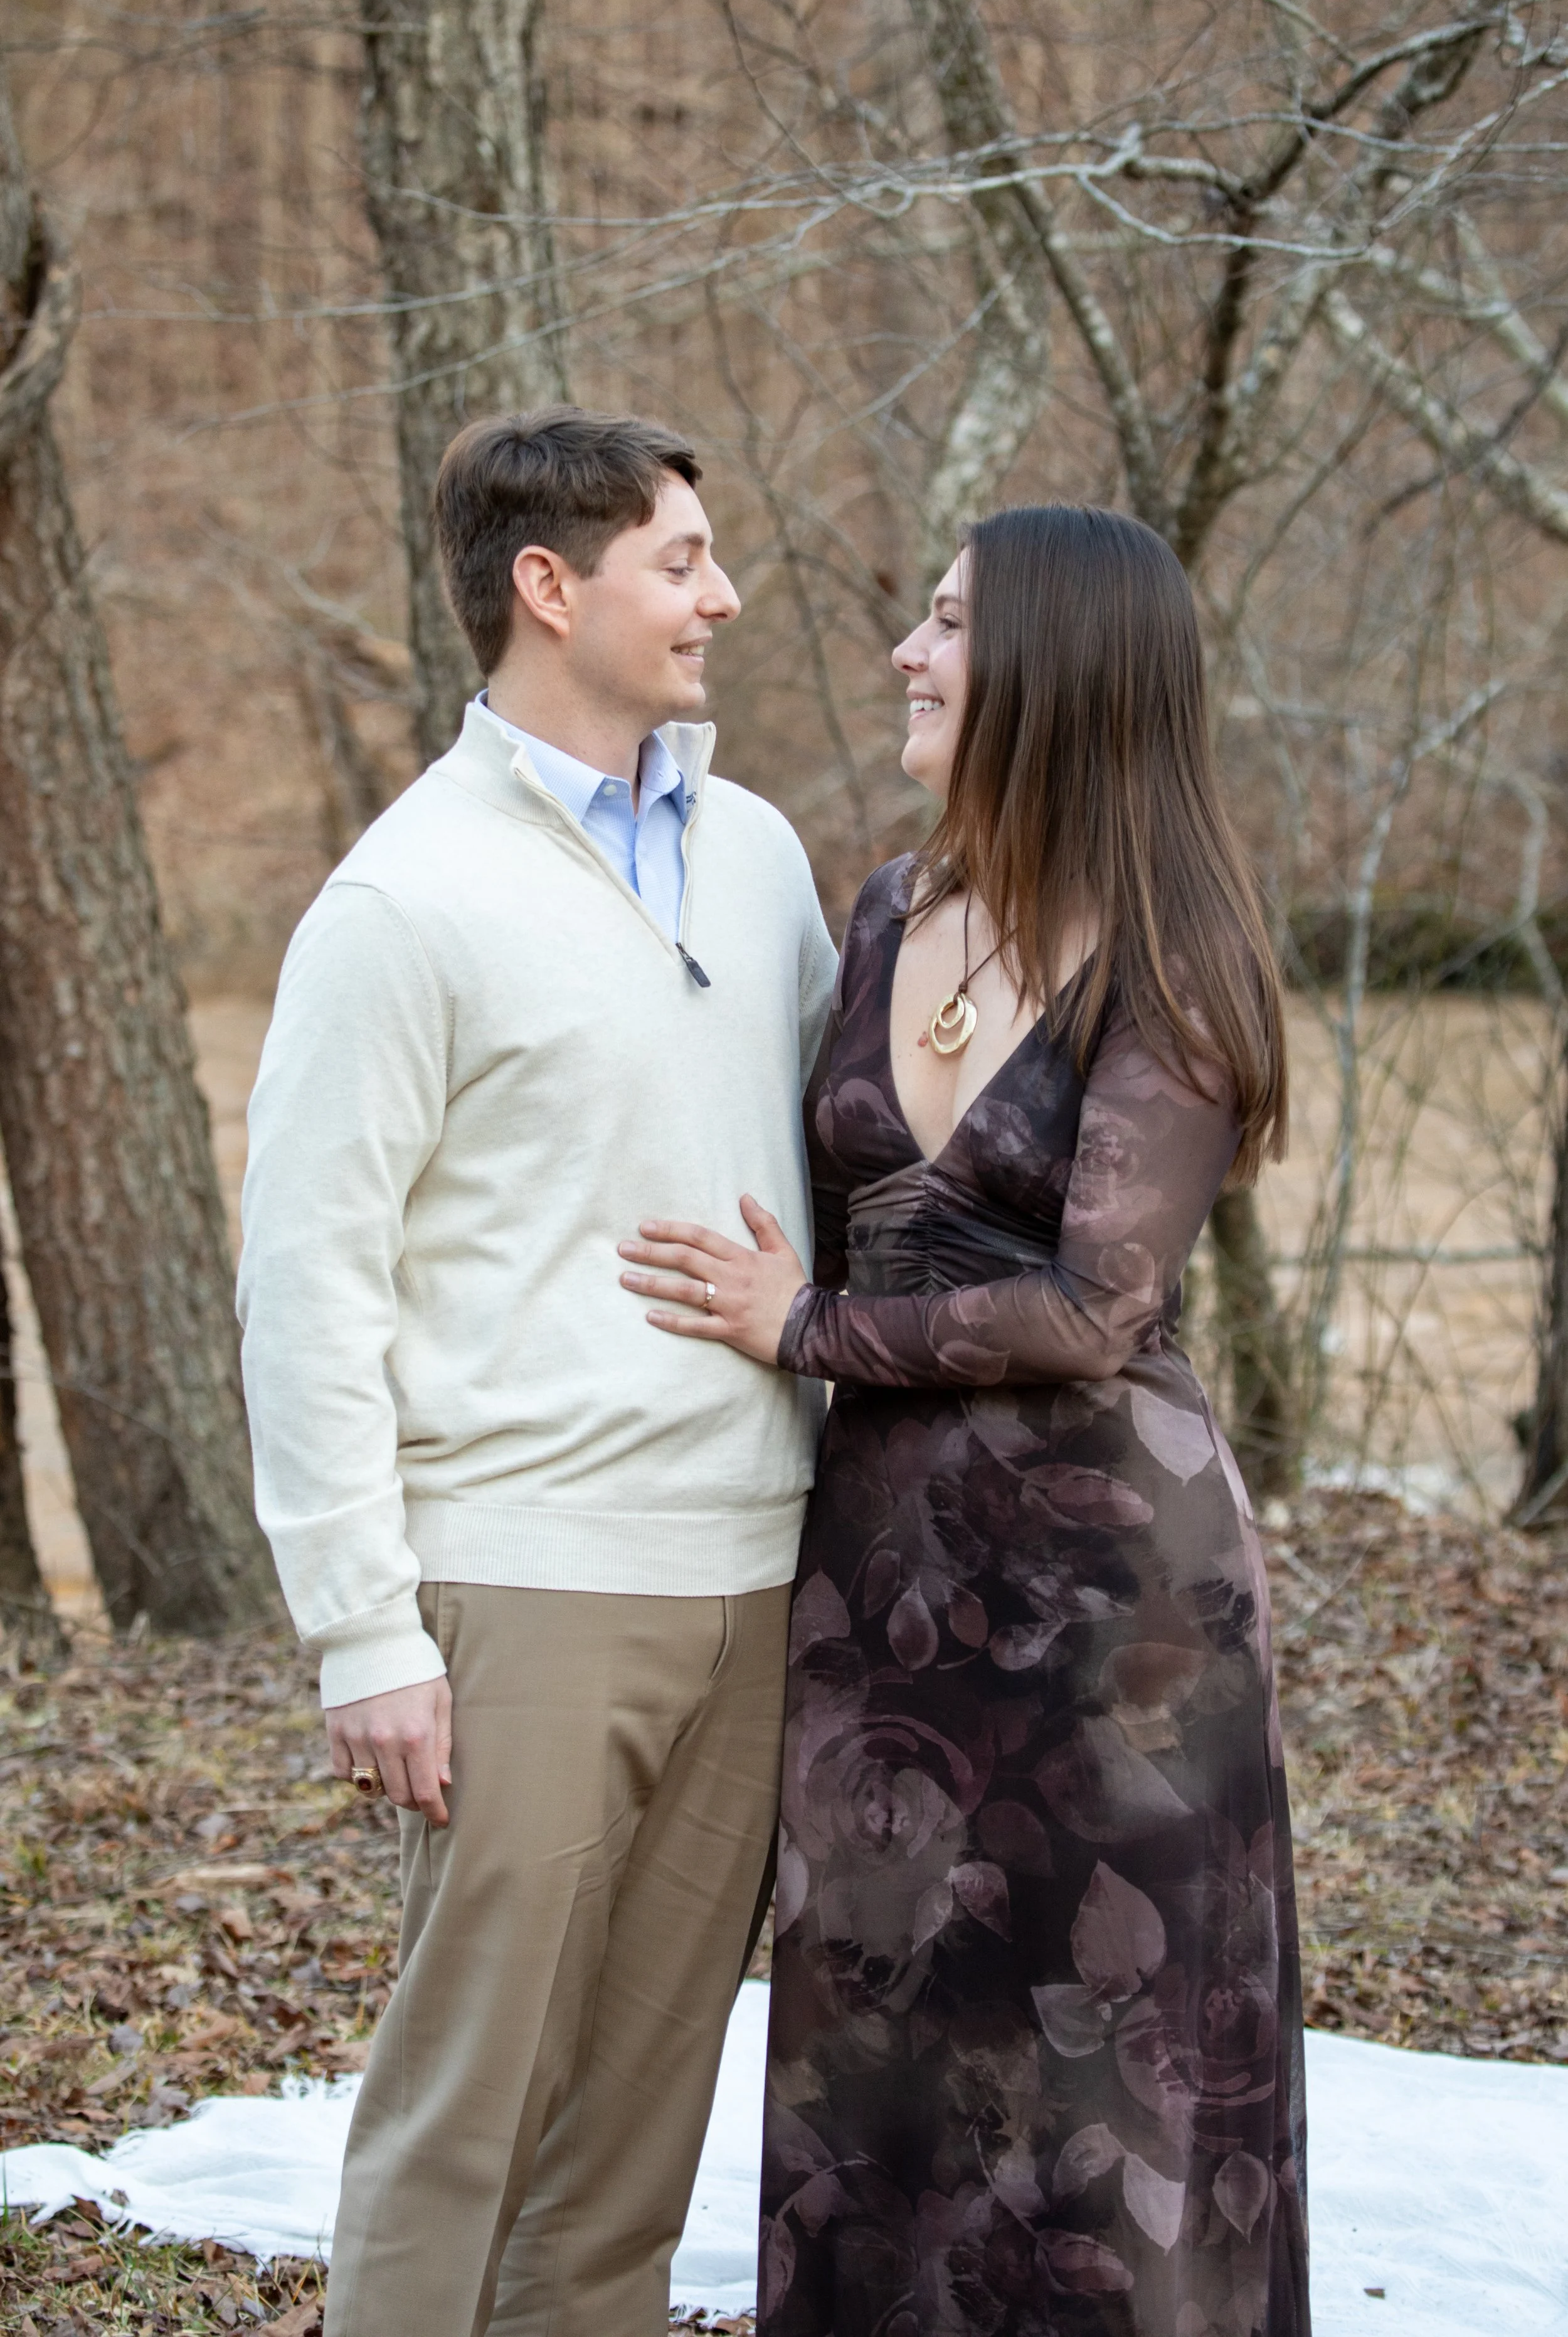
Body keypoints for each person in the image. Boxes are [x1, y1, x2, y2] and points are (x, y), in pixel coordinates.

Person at [617, 504, 1310, 2336]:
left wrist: (813, 1324)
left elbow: (1097, 1303)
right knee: (882, 2055)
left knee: (1102, 2084)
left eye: (945, 626)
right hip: (882, 1591)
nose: (907, 656)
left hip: (1117, 1613)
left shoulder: (1176, 952)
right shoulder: (883, 906)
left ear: (1058, 675)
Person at [236, 405, 838, 2337]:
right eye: (681, 558)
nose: (720, 595)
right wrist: (362, 1625)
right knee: (463, 2114)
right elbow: (306, 1276)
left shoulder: (755, 858)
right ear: (547, 586)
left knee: (633, 2142)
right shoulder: (404, 900)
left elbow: (839, 1156)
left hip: (754, 1573)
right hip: (524, 1583)